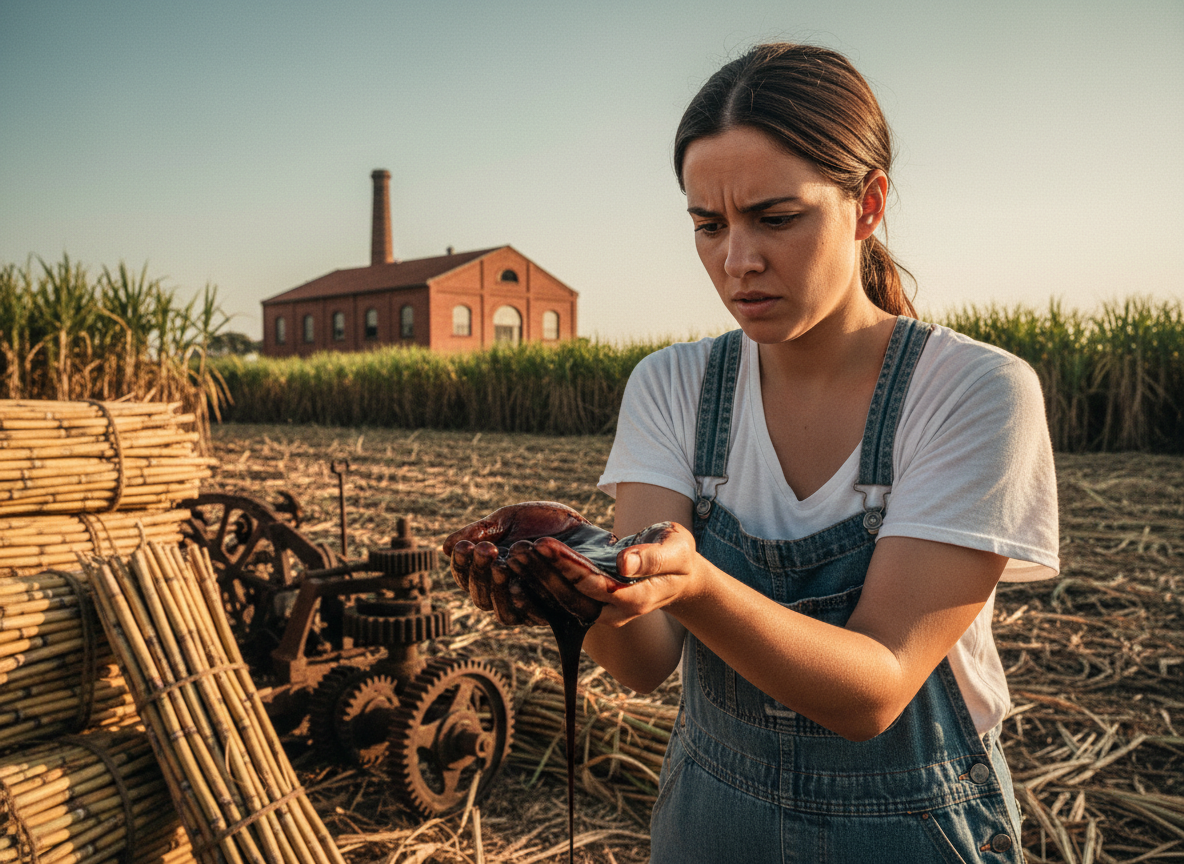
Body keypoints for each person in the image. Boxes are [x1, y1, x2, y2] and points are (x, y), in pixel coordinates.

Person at [449, 43, 1059, 863]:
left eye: (776, 218)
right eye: (708, 224)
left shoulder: (973, 392)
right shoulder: (673, 386)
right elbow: (646, 660)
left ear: (867, 203)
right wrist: (570, 587)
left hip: (913, 827)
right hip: (711, 815)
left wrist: (696, 583)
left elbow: (874, 689)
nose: (737, 261)